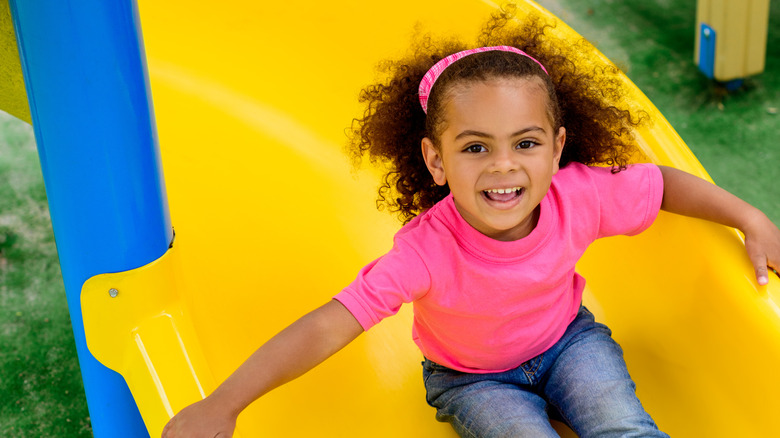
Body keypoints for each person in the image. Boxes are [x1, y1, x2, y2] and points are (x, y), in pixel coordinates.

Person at [162, 7, 780, 438]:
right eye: (476, 147)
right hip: (472, 380)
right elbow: (330, 324)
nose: (504, 166)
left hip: (569, 344)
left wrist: (748, 216)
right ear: (436, 159)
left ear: (558, 147)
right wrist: (225, 402)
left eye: (527, 143)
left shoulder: (578, 194)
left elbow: (662, 184)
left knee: (622, 427)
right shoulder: (425, 252)